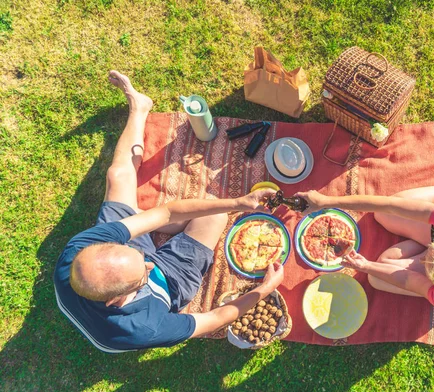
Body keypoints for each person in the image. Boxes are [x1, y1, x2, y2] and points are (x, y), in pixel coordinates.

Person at [54, 71, 284, 353]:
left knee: (118, 176)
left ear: (102, 245)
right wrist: (265, 289)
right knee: (213, 217)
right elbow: (215, 318)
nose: (150, 262)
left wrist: (239, 203)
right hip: (170, 284)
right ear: (116, 301)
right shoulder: (145, 328)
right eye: (143, 275)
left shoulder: (78, 252)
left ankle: (139, 107)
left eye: (140, 257)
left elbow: (166, 212)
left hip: (119, 266)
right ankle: (151, 227)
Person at [296, 161, 434, 312]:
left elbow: (409, 281)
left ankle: (419, 234)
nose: (426, 259)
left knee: (376, 278)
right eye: (432, 252)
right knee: (383, 214)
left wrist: (366, 266)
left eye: (428, 265)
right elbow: (389, 205)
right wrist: (325, 201)